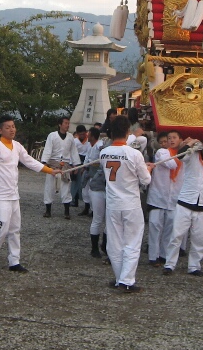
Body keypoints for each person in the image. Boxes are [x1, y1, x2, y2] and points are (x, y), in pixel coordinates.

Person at [0, 115, 59, 273]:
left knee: (15, 229)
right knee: (1, 228)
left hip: (13, 194)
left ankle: (14, 261)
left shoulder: (17, 146)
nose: (12, 130)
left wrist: (49, 170)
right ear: (0, 130)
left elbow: (29, 161)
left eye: (13, 126)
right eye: (7, 127)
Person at [100, 115, 151, 292]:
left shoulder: (104, 153)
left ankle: (119, 277)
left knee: (115, 243)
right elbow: (145, 180)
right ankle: (126, 281)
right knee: (132, 242)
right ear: (128, 132)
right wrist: (148, 168)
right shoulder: (134, 154)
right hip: (130, 204)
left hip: (113, 203)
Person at [162, 135, 203, 276]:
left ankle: (194, 266)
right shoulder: (192, 154)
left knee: (199, 239)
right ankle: (169, 264)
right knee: (176, 235)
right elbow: (180, 155)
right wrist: (191, 143)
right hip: (185, 202)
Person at [147, 130, 183, 266]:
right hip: (158, 196)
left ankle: (164, 255)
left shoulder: (185, 156)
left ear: (180, 140)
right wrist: (184, 149)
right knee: (155, 226)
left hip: (174, 198)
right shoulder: (162, 153)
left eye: (174, 137)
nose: (171, 140)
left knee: (170, 228)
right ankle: (153, 256)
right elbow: (171, 164)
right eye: (169, 138)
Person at [41, 116, 81, 219]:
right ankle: (48, 210)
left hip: (65, 166)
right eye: (66, 123)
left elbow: (73, 151)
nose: (67, 125)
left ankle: (67, 212)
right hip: (53, 165)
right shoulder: (52, 136)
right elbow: (48, 149)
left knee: (66, 187)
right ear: (60, 124)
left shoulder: (70, 137)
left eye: (68, 123)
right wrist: (44, 162)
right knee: (49, 187)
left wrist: (76, 165)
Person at [82, 127, 107, 257]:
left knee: (109, 220)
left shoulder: (102, 146)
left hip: (107, 186)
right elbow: (88, 159)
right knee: (97, 218)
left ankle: (105, 245)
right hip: (96, 184)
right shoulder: (94, 147)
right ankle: (94, 248)